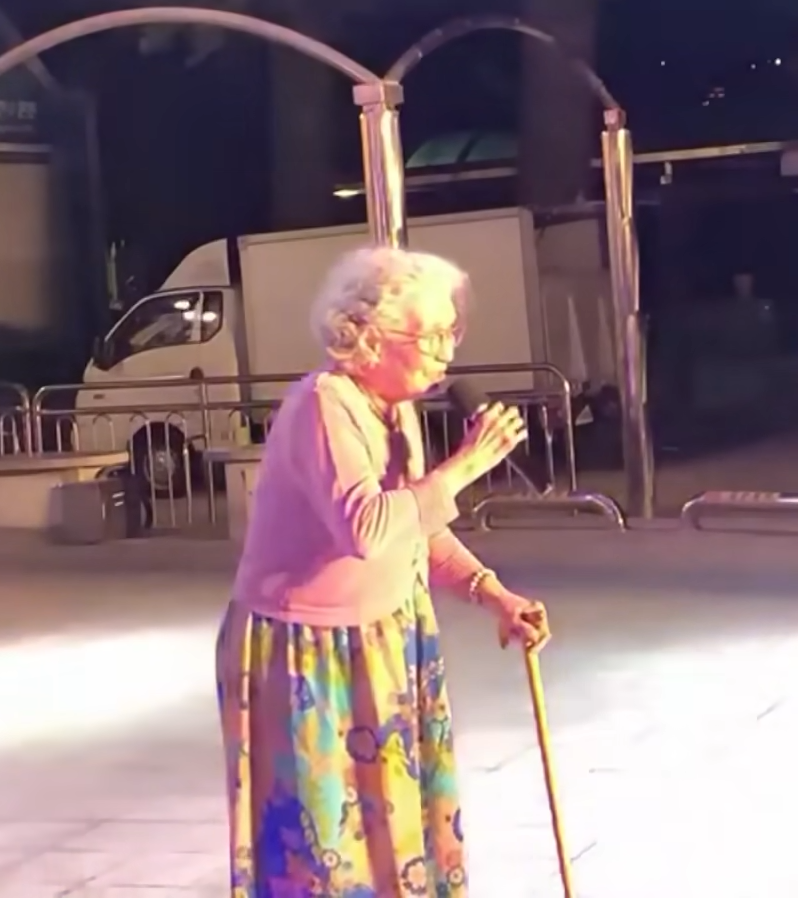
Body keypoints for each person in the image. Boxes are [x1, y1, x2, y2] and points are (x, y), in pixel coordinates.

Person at [217, 245, 550, 898]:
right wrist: (467, 464)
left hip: (387, 635)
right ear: (369, 336)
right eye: (431, 336)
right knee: (324, 849)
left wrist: (493, 593)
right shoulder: (325, 404)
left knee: (398, 831)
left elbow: (414, 527)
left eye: (451, 333)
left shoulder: (397, 409)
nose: (446, 353)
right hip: (305, 649)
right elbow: (367, 528)